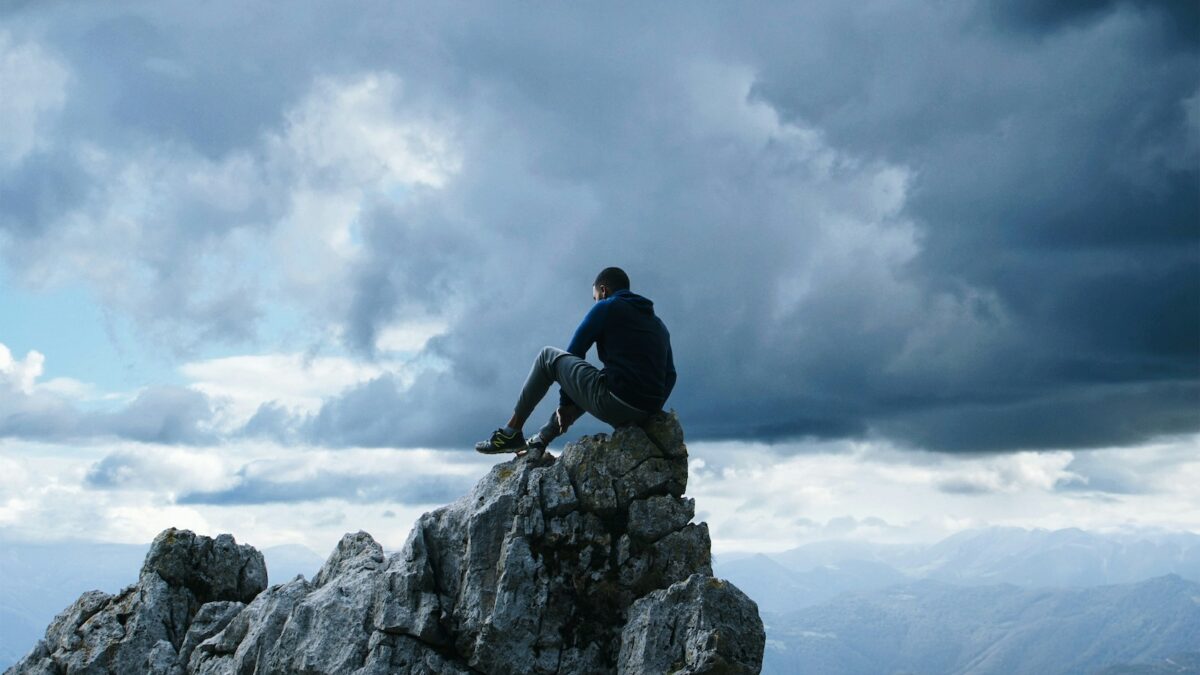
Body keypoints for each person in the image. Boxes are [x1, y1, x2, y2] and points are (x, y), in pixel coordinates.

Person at [476, 267, 676, 456]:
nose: (596, 301)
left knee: (547, 356)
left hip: (615, 404)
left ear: (603, 291)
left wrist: (566, 404)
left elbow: (575, 351)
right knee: (601, 379)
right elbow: (670, 375)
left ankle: (510, 433)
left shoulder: (607, 307)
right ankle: (540, 439)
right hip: (646, 412)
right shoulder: (659, 325)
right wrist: (651, 410)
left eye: (595, 297)